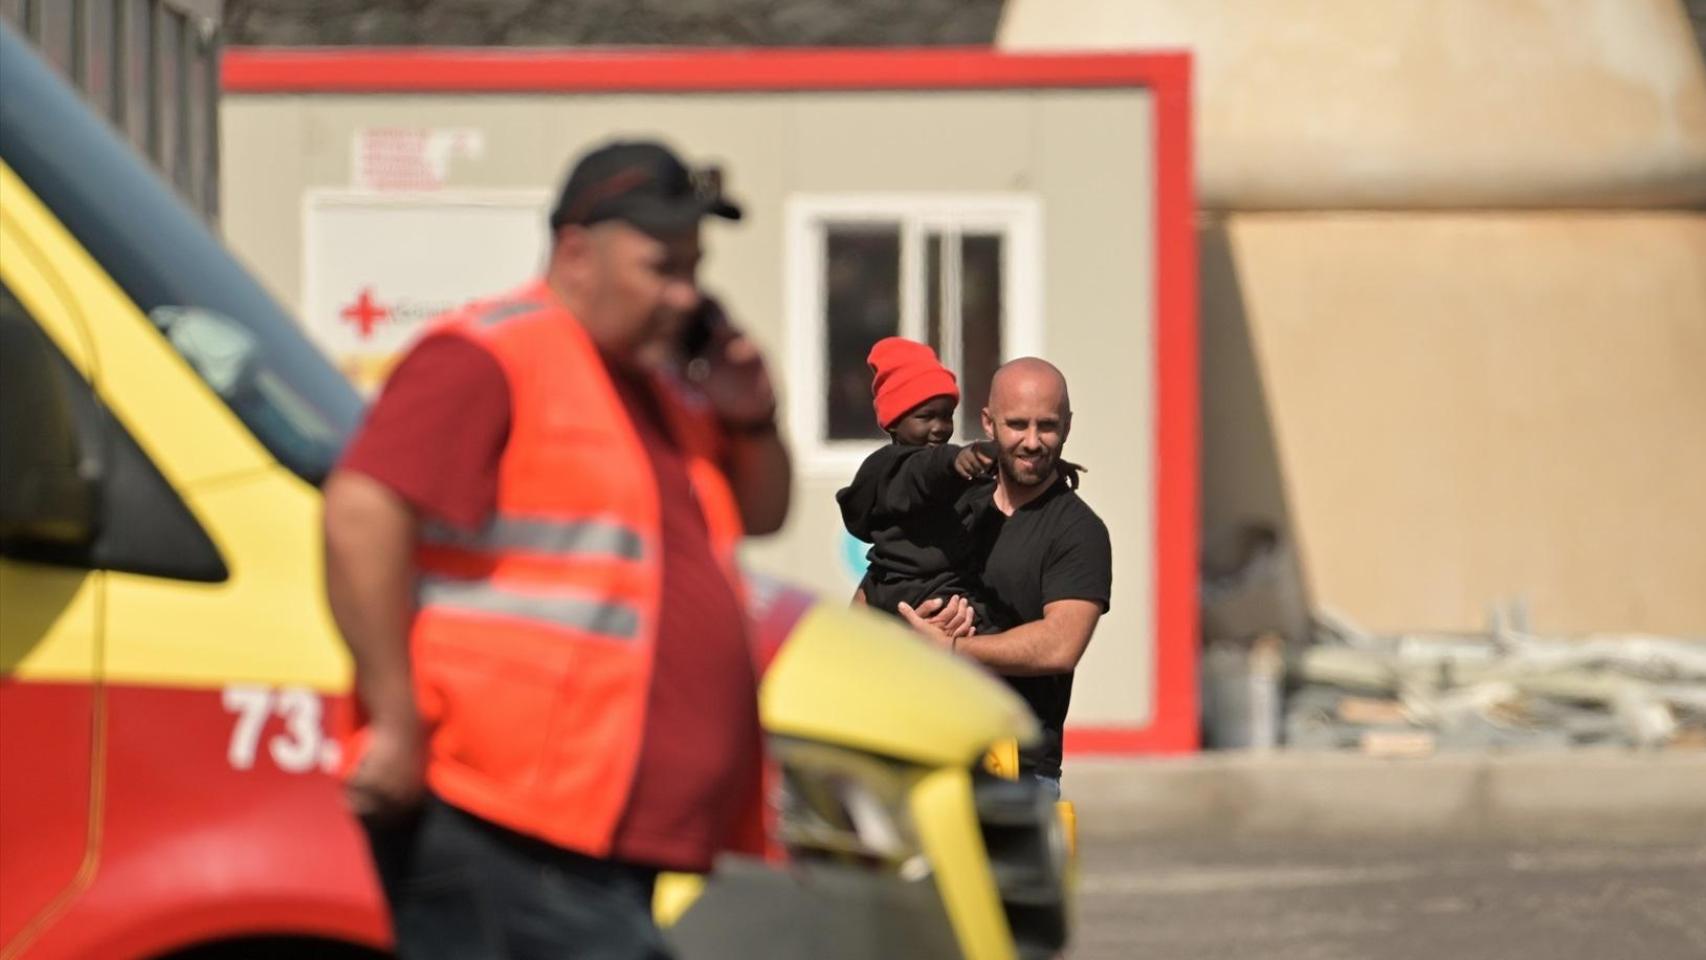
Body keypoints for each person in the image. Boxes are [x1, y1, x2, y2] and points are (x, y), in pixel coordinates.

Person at [321, 139, 790, 960]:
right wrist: (392, 717)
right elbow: (361, 510)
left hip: (601, 826)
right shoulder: (490, 355)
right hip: (503, 821)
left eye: (694, 269)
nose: (687, 297)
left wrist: (751, 417)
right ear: (576, 253)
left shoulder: (661, 386)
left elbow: (762, 511)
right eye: (661, 269)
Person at [898, 358, 1110, 800]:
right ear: (988, 424)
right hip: (922, 754)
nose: (1032, 442)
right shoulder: (947, 502)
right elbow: (870, 595)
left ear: (1068, 426)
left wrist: (952, 650)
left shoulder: (1078, 531)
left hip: (1017, 773)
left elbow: (1060, 644)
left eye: (1047, 426)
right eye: (1017, 425)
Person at [835, 337, 995, 622]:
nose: (940, 428)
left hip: (911, 589)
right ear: (894, 421)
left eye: (947, 416)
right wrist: (954, 459)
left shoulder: (949, 472)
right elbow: (924, 470)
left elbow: (984, 485)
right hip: (915, 594)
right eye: (926, 417)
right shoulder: (888, 468)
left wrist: (1039, 466)